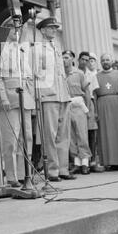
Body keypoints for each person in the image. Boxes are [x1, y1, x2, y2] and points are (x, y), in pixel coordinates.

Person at [35, 18, 75, 182]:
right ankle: (52, 170)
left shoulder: (57, 47)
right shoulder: (37, 49)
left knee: (63, 134)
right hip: (48, 95)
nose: (54, 30)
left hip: (62, 95)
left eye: (55, 28)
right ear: (43, 30)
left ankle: (63, 168)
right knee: (49, 135)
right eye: (51, 28)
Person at [0, 21, 34, 186]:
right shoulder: (0, 49)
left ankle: (25, 174)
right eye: (12, 27)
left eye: (18, 27)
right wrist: (2, 97)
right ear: (6, 29)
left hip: (25, 95)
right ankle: (11, 176)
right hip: (10, 96)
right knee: (11, 139)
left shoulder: (22, 49)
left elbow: (29, 77)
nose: (16, 30)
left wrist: (31, 96)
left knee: (27, 137)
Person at [94, 54, 118, 169]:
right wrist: (95, 110)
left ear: (111, 61)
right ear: (100, 62)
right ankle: (109, 161)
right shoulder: (96, 76)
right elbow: (94, 94)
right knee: (106, 133)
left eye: (107, 59)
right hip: (103, 105)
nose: (105, 62)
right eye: (103, 60)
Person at [63, 50, 92, 175]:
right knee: (71, 136)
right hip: (67, 106)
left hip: (79, 106)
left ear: (72, 59)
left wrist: (88, 109)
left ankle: (85, 162)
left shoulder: (79, 73)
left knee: (82, 135)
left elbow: (86, 91)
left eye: (67, 57)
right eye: (63, 57)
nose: (64, 59)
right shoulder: (60, 74)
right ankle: (76, 163)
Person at [78, 51, 104, 172]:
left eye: (87, 60)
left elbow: (94, 94)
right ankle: (81, 162)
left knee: (91, 133)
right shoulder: (74, 72)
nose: (85, 62)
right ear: (78, 60)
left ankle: (92, 162)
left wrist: (95, 111)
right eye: (82, 59)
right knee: (79, 133)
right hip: (77, 103)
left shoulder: (91, 75)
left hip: (90, 103)